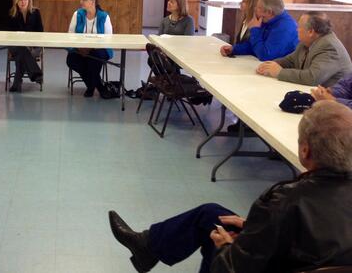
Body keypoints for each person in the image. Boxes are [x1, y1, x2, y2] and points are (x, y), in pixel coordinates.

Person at [108, 100, 352, 273]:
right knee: (211, 213)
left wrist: (225, 246)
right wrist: (252, 226)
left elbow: (231, 268)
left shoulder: (283, 200)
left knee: (214, 233)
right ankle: (146, 246)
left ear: (305, 150)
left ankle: (147, 247)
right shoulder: (292, 202)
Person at [256, 12, 352, 87]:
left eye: (299, 27)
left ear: (310, 32)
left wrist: (279, 72)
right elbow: (290, 60)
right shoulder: (308, 42)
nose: (297, 29)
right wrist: (269, 65)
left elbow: (312, 78)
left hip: (334, 101)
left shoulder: (329, 48)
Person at [220, 0, 298, 61]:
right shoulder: (267, 20)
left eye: (259, 8)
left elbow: (265, 55)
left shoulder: (284, 27)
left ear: (269, 12)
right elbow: (254, 46)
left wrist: (255, 30)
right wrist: (234, 49)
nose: (255, 9)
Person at [66, 0, 113, 99]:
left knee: (94, 59)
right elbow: (70, 36)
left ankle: (91, 87)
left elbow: (109, 39)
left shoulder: (104, 17)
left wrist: (92, 48)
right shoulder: (77, 14)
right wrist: (78, 48)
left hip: (99, 50)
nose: (81, 1)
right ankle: (99, 86)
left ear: (93, 1)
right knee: (71, 60)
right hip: (79, 49)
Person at [7, 0, 44, 92]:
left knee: (21, 55)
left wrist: (30, 43)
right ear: (16, 1)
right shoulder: (12, 14)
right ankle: (36, 73)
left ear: (29, 0)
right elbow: (10, 35)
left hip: (34, 46)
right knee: (22, 50)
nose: (23, 2)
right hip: (16, 46)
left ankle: (16, 83)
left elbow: (40, 32)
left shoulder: (36, 12)